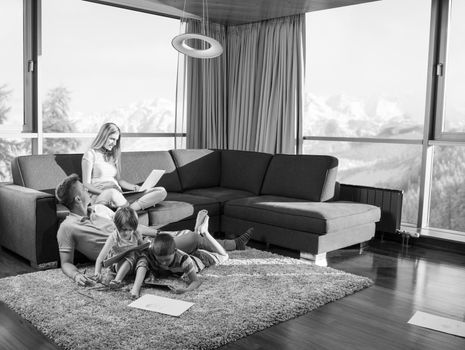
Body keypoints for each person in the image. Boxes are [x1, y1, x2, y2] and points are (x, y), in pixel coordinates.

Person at [55, 174, 254, 287]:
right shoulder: (68, 227)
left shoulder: (98, 210)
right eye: (84, 189)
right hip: (136, 255)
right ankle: (232, 244)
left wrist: (158, 234)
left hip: (142, 244)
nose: (89, 190)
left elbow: (132, 228)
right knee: (192, 238)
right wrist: (76, 276)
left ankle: (231, 243)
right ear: (78, 199)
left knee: (180, 234)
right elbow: (66, 263)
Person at [132, 213, 228, 297]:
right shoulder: (152, 253)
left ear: (174, 251)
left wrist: (186, 290)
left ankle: (204, 232)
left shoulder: (184, 260)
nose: (164, 263)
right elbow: (142, 261)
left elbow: (196, 281)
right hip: (185, 254)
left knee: (224, 256)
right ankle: (197, 232)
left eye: (167, 260)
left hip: (200, 259)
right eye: (160, 260)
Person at [82, 122, 166, 211]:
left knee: (161, 191)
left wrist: (135, 188)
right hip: (102, 196)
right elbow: (86, 184)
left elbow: (119, 180)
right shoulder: (90, 154)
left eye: (116, 140)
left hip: (119, 196)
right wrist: (106, 193)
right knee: (112, 193)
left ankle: (128, 210)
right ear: (103, 136)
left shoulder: (112, 155)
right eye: (112, 139)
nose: (114, 143)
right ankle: (126, 210)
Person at [94, 207, 147, 295]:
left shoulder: (136, 233)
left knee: (142, 258)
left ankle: (136, 288)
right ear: (117, 226)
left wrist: (147, 246)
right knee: (131, 254)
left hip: (133, 266)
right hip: (117, 266)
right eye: (124, 229)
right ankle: (117, 280)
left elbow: (143, 247)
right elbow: (100, 258)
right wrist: (97, 272)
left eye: (130, 229)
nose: (127, 233)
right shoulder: (114, 237)